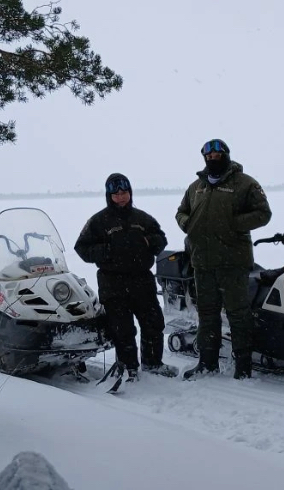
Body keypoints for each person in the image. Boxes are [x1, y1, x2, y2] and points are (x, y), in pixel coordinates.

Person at [176, 139, 272, 380]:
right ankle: (207, 363)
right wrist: (188, 224)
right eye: (208, 157)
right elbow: (181, 212)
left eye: (217, 156)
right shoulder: (196, 187)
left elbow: (263, 213)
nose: (212, 159)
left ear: (226, 156)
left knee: (238, 314)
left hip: (233, 261)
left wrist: (234, 223)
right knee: (207, 314)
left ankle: (243, 367)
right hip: (203, 262)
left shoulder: (245, 183)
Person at [75, 173, 177, 381]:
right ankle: (128, 367)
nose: (121, 197)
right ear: (109, 196)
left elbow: (161, 239)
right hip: (112, 283)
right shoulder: (98, 221)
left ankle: (153, 363)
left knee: (153, 323)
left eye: (124, 193)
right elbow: (82, 248)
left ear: (130, 193)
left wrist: (150, 242)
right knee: (123, 330)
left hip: (142, 279)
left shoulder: (142, 218)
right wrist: (106, 251)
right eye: (116, 194)